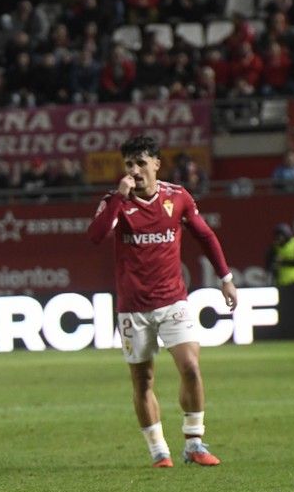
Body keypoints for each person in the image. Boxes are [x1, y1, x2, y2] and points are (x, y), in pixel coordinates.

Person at [88, 135, 238, 468]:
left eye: (141, 163)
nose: (134, 170)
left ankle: (194, 443)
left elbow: (205, 235)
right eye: (129, 164)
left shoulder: (178, 197)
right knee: (143, 381)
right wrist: (119, 197)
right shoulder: (116, 202)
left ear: (157, 164)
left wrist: (225, 278)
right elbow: (96, 235)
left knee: (191, 368)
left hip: (173, 302)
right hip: (133, 308)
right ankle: (159, 451)